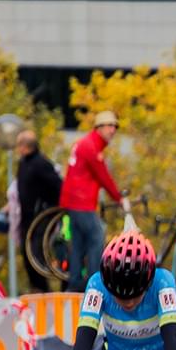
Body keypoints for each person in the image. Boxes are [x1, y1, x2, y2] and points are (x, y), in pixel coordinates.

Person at [60, 111, 123, 292]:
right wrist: (119, 198)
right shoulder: (91, 147)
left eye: (115, 126)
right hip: (81, 202)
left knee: (78, 243)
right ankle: (95, 283)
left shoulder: (86, 143)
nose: (113, 130)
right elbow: (103, 176)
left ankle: (74, 285)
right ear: (98, 128)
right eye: (109, 126)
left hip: (74, 201)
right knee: (97, 236)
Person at [15, 129, 63, 293]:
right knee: (26, 253)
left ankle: (42, 288)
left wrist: (48, 207)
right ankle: (36, 287)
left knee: (36, 252)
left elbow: (58, 185)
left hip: (41, 216)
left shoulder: (41, 163)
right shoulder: (24, 163)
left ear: (25, 146)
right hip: (26, 217)